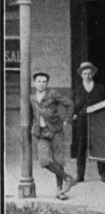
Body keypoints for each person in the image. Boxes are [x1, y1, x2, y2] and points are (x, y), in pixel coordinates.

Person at [30, 71, 76, 199]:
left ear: (47, 83)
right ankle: (68, 178)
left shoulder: (53, 94)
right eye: (39, 81)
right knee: (44, 161)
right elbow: (32, 114)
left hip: (56, 130)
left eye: (44, 82)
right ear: (35, 83)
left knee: (58, 160)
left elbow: (69, 104)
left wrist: (67, 120)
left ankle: (59, 191)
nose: (41, 84)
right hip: (41, 132)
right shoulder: (32, 97)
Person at [71, 61, 105, 182]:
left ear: (92, 74)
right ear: (81, 75)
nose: (87, 76)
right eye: (84, 73)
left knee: (99, 146)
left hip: (97, 121)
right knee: (81, 147)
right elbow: (71, 106)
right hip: (82, 122)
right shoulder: (77, 89)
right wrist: (73, 115)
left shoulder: (100, 88)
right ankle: (80, 175)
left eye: (89, 73)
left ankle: (103, 174)